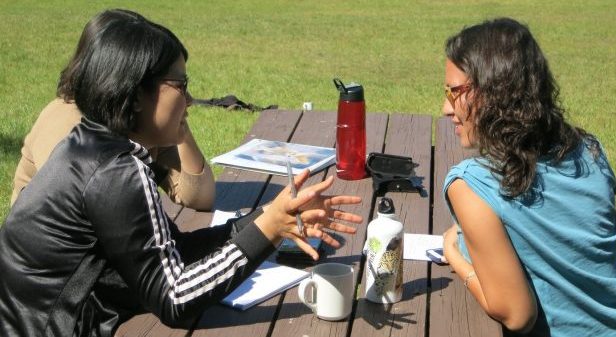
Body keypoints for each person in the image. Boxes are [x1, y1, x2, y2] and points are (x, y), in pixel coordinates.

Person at [0, 10, 362, 337]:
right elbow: (175, 299)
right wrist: (267, 231)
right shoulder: (116, 172)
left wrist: (269, 217)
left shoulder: (94, 147)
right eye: (181, 86)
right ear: (136, 92)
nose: (189, 102)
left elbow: (174, 251)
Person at [441, 18, 616, 336]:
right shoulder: (589, 151)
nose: (446, 108)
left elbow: (517, 315)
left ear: (491, 92)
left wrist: (456, 257)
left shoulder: (471, 185)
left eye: (453, 92)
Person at [10, 9, 215, 211]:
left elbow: (199, 196)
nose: (189, 99)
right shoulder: (69, 129)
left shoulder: (140, 122)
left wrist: (178, 119)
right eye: (179, 85)